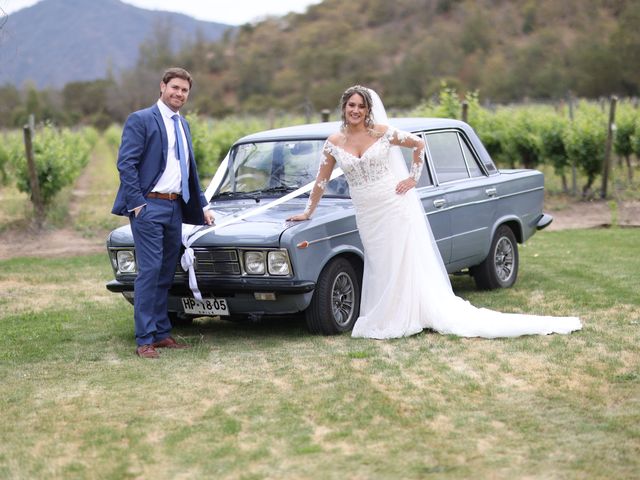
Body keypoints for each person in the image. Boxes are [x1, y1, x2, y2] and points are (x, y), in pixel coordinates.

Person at [288, 85, 582, 339]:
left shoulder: (382, 133)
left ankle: (406, 317)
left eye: (360, 106)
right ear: (344, 108)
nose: (355, 110)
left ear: (368, 110)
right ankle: (388, 314)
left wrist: (413, 179)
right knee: (379, 262)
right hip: (367, 211)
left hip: (393, 203)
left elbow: (418, 144)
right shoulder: (334, 142)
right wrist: (307, 212)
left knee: (400, 260)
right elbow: (321, 181)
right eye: (351, 105)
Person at [112, 67, 215, 358]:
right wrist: (137, 205)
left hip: (174, 207)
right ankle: (144, 339)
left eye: (184, 90)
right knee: (150, 270)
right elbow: (126, 165)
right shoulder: (141, 119)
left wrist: (203, 205)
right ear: (162, 87)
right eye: (175, 88)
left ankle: (160, 333)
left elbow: (190, 172)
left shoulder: (183, 125)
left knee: (166, 272)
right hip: (148, 206)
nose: (179, 94)